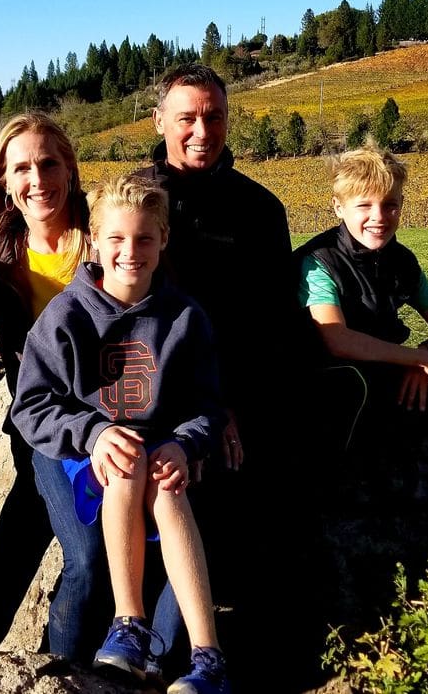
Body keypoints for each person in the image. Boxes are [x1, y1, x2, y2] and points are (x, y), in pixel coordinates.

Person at [134, 63, 319, 689]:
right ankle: (158, 657)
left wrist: (237, 401)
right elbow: (126, 314)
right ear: (160, 121)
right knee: (184, 485)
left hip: (242, 386)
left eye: (212, 115)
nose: (201, 130)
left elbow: (271, 319)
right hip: (160, 395)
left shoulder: (261, 209)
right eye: (186, 117)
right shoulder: (138, 200)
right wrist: (205, 411)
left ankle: (266, 651)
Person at [11, 175, 231, 693]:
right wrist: (92, 433)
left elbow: (207, 404)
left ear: (163, 241)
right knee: (126, 460)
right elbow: (32, 406)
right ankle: (128, 624)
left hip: (159, 451)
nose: (130, 251)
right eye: (116, 239)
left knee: (168, 486)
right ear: (93, 241)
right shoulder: (64, 315)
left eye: (144, 239)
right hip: (89, 452)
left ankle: (208, 656)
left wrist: (187, 442)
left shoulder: (185, 318)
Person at [0, 112, 103, 659]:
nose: (38, 179)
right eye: (22, 168)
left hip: (109, 418)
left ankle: (58, 661)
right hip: (42, 420)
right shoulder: (0, 256)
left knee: (64, 543)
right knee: (41, 532)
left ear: (71, 169)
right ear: (5, 183)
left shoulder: (104, 238)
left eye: (49, 163)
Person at [294, 139, 428, 435]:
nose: (379, 217)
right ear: (338, 207)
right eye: (364, 206)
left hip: (392, 366)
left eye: (390, 205)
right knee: (353, 386)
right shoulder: (318, 261)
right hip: (337, 372)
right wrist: (421, 360)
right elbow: (338, 340)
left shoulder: (403, 261)